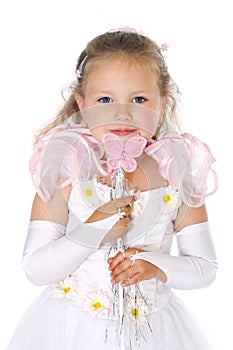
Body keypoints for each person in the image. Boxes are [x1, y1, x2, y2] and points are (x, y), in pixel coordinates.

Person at [7, 28, 218, 350]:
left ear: (162, 102)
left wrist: (155, 265)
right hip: (71, 329)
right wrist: (92, 231)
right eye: (104, 99)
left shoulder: (175, 173)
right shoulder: (66, 172)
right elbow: (36, 269)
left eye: (139, 99)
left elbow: (204, 269)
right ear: (81, 102)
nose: (122, 113)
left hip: (152, 331)